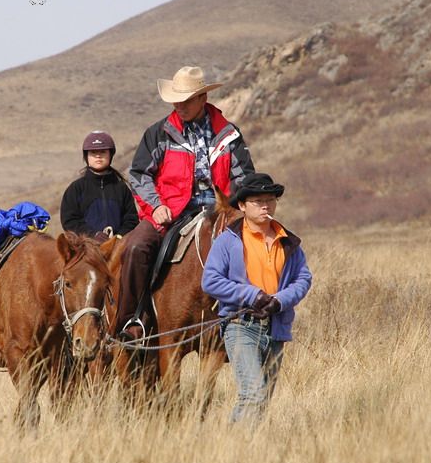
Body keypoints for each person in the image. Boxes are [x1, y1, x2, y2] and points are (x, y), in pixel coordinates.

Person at [115, 66, 255, 338]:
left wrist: (236, 209)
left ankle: (254, 321)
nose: (179, 106)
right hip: (171, 210)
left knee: (263, 247)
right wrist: (156, 206)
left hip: (221, 212)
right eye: (176, 100)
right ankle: (131, 321)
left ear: (203, 98)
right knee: (135, 247)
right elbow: (139, 174)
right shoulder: (159, 133)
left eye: (186, 100)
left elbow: (245, 178)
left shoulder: (228, 134)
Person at [201, 172, 312, 423]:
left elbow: (303, 278)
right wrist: (253, 295)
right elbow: (211, 281)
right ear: (242, 205)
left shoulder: (287, 241)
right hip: (241, 326)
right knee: (254, 394)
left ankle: (235, 449)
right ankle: (238, 450)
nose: (265, 206)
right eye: (257, 201)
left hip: (276, 327)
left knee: (262, 400)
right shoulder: (228, 240)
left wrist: (279, 300)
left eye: (270, 200)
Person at [60, 131, 139, 241]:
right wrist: (93, 235)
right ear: (86, 156)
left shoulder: (121, 188)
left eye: (103, 151)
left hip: (118, 246)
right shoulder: (76, 189)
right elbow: (70, 221)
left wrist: (119, 236)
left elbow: (131, 219)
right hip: (85, 247)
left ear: (110, 155)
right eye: (93, 152)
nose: (98, 155)